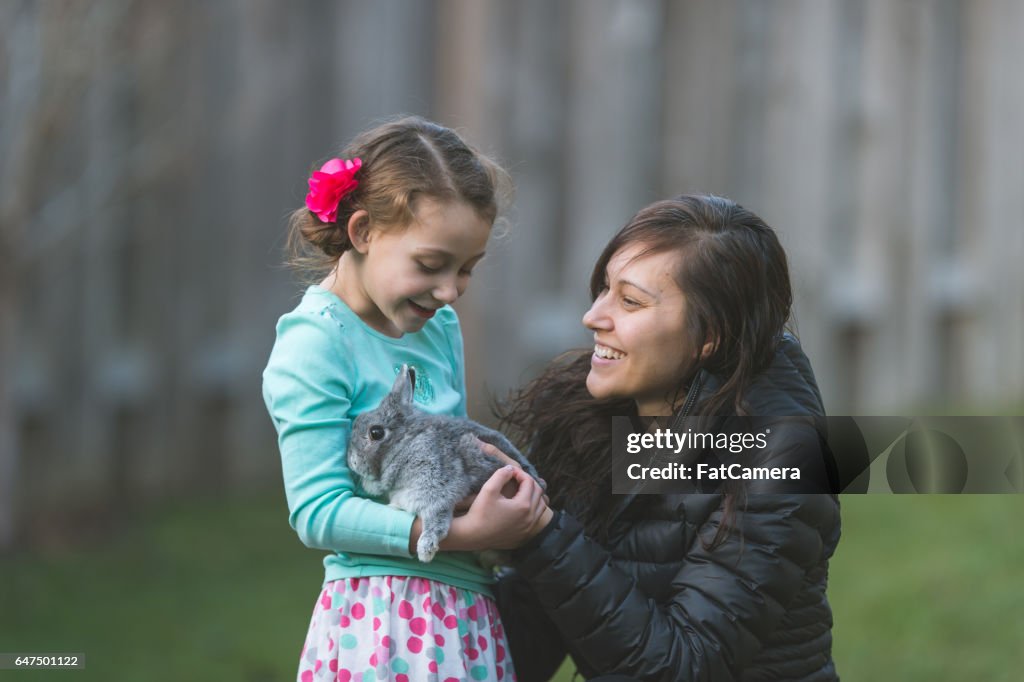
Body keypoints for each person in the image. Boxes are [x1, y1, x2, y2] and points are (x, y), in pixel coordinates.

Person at [482, 195, 842, 681]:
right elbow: (534, 624)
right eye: (604, 288)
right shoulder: (584, 413)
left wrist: (542, 536)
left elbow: (684, 666)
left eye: (630, 301)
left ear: (708, 334)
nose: (594, 316)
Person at [262, 115, 545, 682]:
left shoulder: (436, 327)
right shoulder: (316, 342)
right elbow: (318, 513)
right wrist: (464, 534)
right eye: (431, 264)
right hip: (385, 619)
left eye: (466, 269)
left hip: (467, 609)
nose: (448, 291)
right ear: (363, 232)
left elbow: (451, 457)